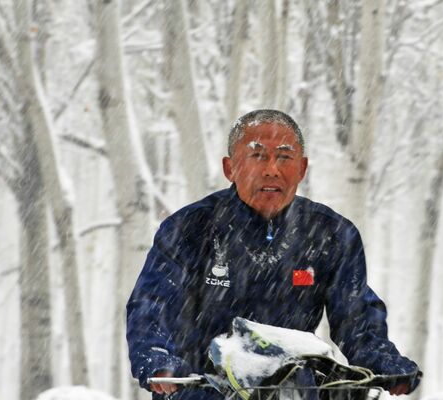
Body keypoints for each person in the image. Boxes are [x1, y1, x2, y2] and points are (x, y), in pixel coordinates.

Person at [126, 109, 420, 399]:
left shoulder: (333, 234)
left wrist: (383, 360)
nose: (271, 169)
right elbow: (152, 305)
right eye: (257, 156)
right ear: (230, 168)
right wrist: (157, 358)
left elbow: (356, 319)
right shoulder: (188, 228)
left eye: (284, 157)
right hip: (201, 391)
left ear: (302, 168)